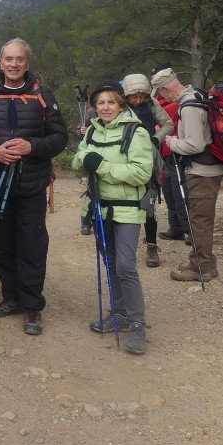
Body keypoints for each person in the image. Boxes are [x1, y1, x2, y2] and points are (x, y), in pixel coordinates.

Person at [0, 38, 67, 336]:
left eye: (19, 59)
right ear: (0, 62)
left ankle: (32, 304)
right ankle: (10, 297)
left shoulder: (43, 95)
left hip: (32, 183)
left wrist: (31, 146)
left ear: (27, 63)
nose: (13, 64)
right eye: (8, 59)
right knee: (2, 242)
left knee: (32, 243)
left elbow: (60, 138)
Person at [72, 81, 154, 356]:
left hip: (128, 209)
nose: (105, 107)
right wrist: (87, 159)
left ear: (121, 104)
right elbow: (77, 161)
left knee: (125, 265)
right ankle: (119, 313)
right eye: (100, 103)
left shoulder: (136, 131)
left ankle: (137, 323)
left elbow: (141, 173)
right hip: (99, 207)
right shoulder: (93, 130)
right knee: (109, 262)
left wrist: (102, 166)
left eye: (110, 102)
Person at [151, 65, 223, 282]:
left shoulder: (189, 106)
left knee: (199, 220)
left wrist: (172, 142)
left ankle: (199, 267)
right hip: (209, 168)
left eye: (160, 93)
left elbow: (194, 145)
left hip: (202, 171)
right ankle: (207, 264)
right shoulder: (196, 96)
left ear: (165, 89)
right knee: (202, 217)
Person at [120, 73, 173, 268]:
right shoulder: (120, 105)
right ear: (126, 95)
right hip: (124, 159)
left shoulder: (152, 104)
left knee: (148, 203)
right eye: (134, 97)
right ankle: (124, 249)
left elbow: (168, 123)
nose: (138, 100)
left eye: (142, 96)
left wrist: (156, 139)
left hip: (148, 158)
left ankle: (151, 246)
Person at [155, 86, 190, 242]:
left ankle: (190, 231)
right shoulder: (157, 102)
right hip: (165, 154)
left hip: (176, 152)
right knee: (169, 191)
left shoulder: (175, 104)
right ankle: (176, 228)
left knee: (179, 192)